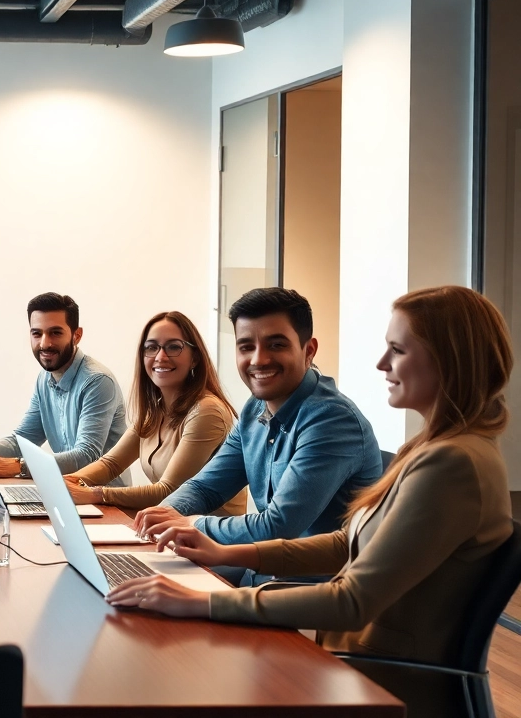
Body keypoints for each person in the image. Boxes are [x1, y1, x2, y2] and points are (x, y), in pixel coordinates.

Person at [108, 285, 514, 717]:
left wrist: (200, 598)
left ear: (450, 357)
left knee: (165, 665)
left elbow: (350, 600)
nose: (381, 364)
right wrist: (224, 548)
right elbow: (346, 542)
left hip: (377, 679)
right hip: (345, 650)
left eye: (397, 350)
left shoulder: (451, 463)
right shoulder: (432, 448)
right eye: (246, 346)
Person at [133, 288, 383, 584]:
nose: (258, 360)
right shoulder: (254, 410)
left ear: (309, 350)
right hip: (258, 571)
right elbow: (206, 487)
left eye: (275, 345)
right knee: (134, 586)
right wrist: (165, 514)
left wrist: (193, 524)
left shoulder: (332, 420)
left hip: (311, 594)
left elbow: (278, 525)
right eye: (246, 346)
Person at [63, 311, 245, 515]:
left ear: (194, 358)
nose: (160, 357)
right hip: (169, 529)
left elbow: (169, 491)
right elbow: (111, 464)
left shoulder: (206, 411)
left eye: (174, 347)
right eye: (151, 348)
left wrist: (97, 494)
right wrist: (67, 483)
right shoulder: (155, 409)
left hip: (209, 538)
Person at [0, 292, 128, 482]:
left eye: (55, 333)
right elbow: (24, 440)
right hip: (66, 491)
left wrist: (17, 467)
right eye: (37, 333)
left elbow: (86, 455)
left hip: (107, 502)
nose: (45, 343)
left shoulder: (98, 381)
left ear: (76, 336)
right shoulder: (45, 379)